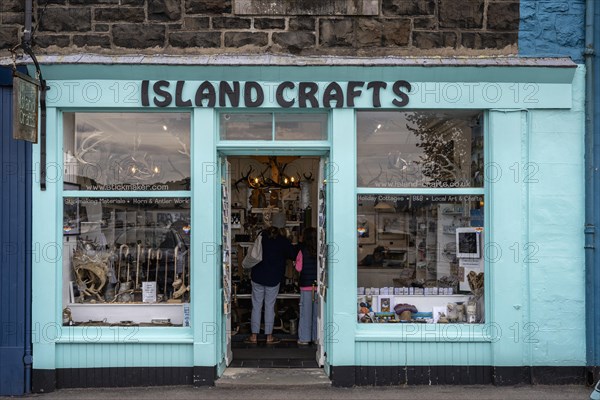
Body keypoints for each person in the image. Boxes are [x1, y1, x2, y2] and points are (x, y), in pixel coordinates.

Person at [245, 221, 295, 344]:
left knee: (256, 306)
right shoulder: (283, 241)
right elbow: (293, 254)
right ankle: (269, 336)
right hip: (273, 278)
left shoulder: (261, 238)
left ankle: (254, 336)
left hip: (258, 276)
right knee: (269, 306)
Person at [295, 227, 318, 345]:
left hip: (306, 286)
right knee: (317, 314)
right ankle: (316, 337)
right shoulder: (320, 250)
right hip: (318, 287)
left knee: (305, 313)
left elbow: (298, 268)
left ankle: (304, 338)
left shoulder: (302, 251)